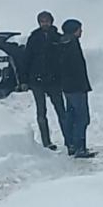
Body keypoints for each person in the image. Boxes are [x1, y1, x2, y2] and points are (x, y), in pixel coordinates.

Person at [23, 11, 69, 151]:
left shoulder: (58, 37)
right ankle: (46, 142)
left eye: (47, 20)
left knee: (61, 111)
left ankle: (69, 139)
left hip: (54, 80)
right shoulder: (34, 37)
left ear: (51, 21)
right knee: (41, 113)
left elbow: (64, 60)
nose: (45, 23)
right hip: (36, 80)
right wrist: (25, 79)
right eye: (42, 21)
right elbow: (26, 59)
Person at [58, 18, 94, 158]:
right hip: (77, 87)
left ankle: (71, 144)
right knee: (82, 118)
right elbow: (76, 68)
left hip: (68, 87)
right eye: (79, 29)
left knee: (71, 116)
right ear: (74, 30)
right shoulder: (72, 44)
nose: (81, 31)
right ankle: (80, 147)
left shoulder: (62, 43)